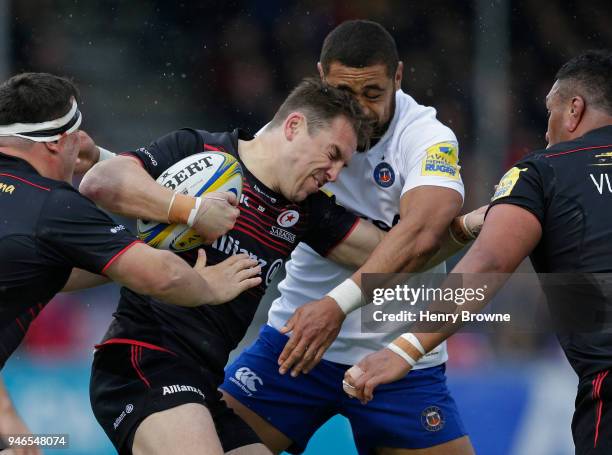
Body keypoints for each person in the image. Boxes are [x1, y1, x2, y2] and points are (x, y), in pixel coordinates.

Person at [80, 76, 480, 455]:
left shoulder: (305, 211)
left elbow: (395, 255)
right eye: (333, 155)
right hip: (143, 361)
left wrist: (468, 227)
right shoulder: (202, 150)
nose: (335, 175)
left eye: (344, 165)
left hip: (202, 382)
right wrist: (193, 210)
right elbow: (102, 181)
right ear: (293, 126)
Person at [221, 20, 476, 455]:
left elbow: (420, 236)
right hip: (297, 344)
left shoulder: (428, 138)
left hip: (399, 361)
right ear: (321, 77)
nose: (358, 109)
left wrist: (336, 305)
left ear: (398, 76)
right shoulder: (290, 132)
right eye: (344, 93)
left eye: (373, 93)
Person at [345, 50, 612, 455]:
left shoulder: (542, 172)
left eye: (550, 111)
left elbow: (488, 264)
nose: (546, 131)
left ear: (574, 109)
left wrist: (406, 348)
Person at [0, 72, 259, 451]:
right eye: (77, 138)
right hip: (151, 376)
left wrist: (129, 251)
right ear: (58, 143)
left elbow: (45, 266)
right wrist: (207, 285)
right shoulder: (52, 206)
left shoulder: (34, 217)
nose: (80, 150)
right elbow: (163, 278)